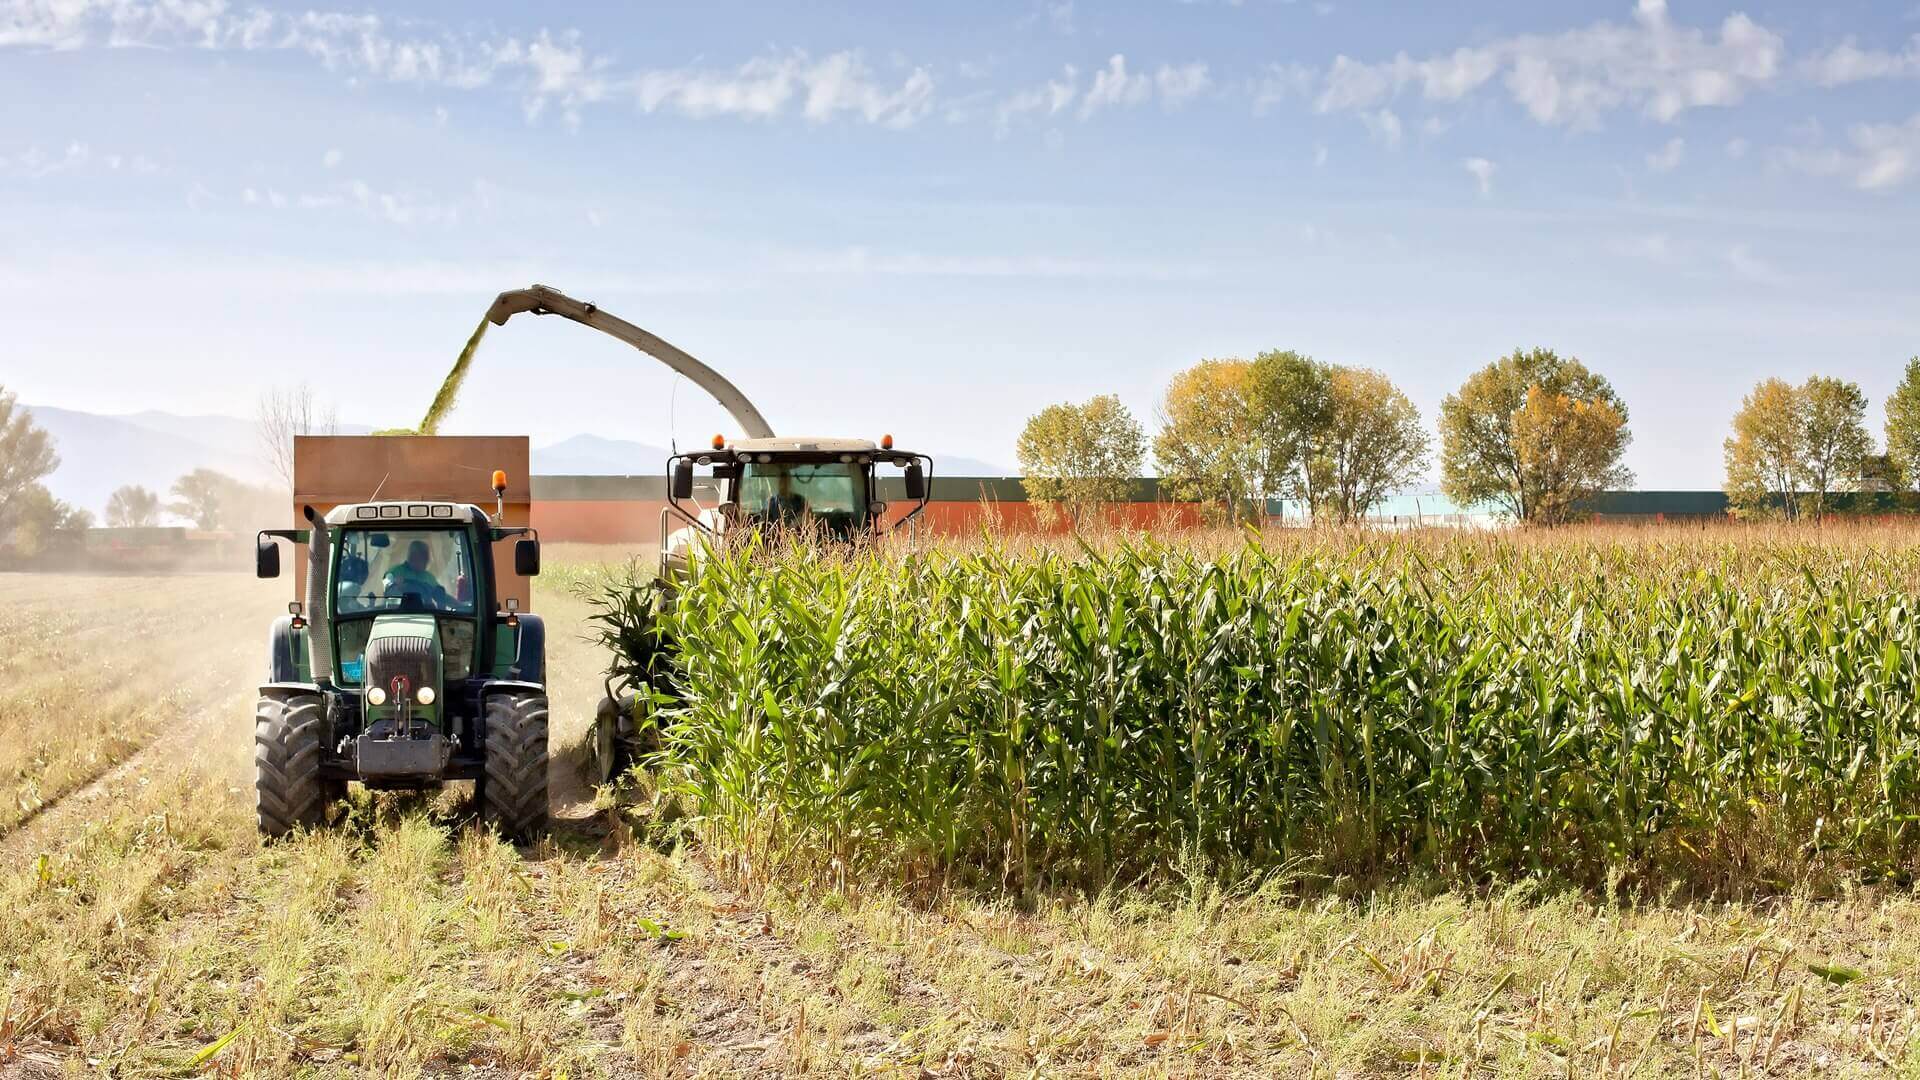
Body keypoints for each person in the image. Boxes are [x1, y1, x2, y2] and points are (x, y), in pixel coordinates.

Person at [382, 538, 450, 608]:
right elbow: (387, 587)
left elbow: (441, 595)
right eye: (421, 559)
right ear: (412, 558)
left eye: (425, 560)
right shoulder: (395, 571)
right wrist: (396, 586)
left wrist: (456, 606)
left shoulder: (429, 577)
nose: (425, 563)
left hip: (425, 612)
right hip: (397, 612)